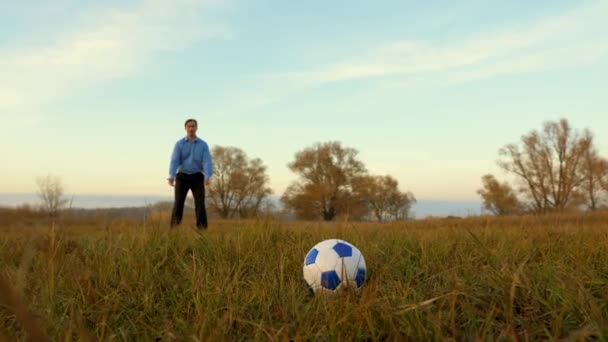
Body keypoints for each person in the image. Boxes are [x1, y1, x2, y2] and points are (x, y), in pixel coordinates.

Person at [167, 118, 213, 229]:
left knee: (200, 204)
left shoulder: (203, 145)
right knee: (178, 203)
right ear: (185, 128)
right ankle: (174, 229)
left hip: (197, 176)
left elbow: (207, 161)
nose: (191, 128)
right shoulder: (179, 144)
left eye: (193, 126)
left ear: (196, 128)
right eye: (189, 126)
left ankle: (202, 231)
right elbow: (174, 160)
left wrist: (207, 176)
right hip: (182, 176)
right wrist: (171, 175)